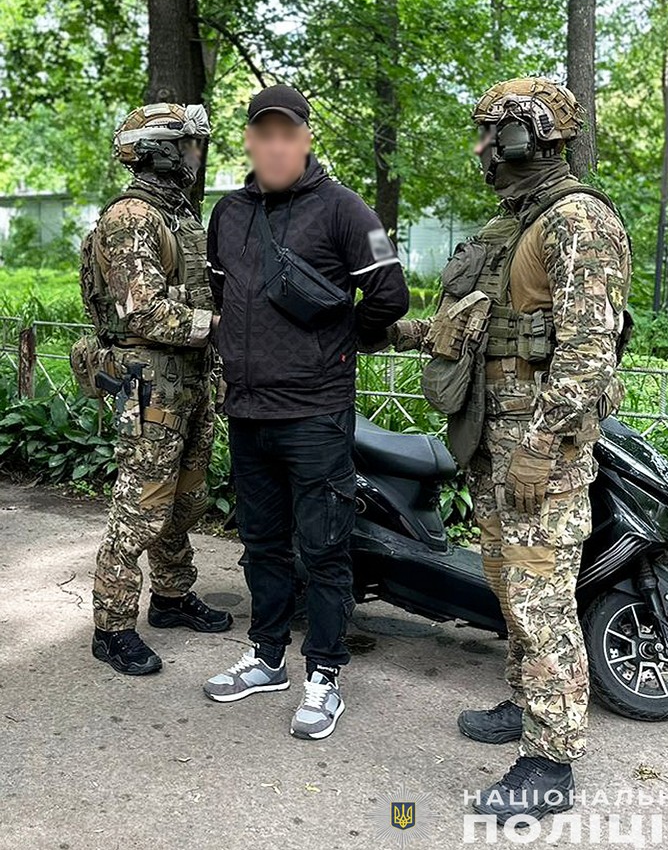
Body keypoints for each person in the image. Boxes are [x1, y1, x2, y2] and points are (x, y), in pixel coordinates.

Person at [388, 78, 631, 823]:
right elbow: (471, 326)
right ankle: (527, 700)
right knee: (507, 583)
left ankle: (550, 760)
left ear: (524, 137)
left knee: (539, 596)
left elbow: (588, 352)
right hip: (494, 445)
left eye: (489, 135)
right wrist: (387, 332)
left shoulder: (578, 220)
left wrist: (541, 447)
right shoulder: (511, 225)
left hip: (539, 454)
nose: (481, 150)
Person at [203, 83, 409, 739]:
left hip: (316, 412)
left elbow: (390, 295)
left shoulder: (348, 210)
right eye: (263, 134)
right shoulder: (227, 214)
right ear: (249, 141)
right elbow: (222, 295)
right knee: (262, 544)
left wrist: (339, 344)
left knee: (323, 549)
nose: (275, 146)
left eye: (287, 134)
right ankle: (266, 657)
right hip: (248, 412)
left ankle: (324, 674)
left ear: (306, 139)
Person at [87, 103, 232, 676]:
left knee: (186, 500)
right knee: (141, 508)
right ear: (160, 151)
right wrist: (223, 327)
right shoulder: (131, 217)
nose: (197, 155)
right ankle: (112, 627)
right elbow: (143, 312)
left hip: (188, 379)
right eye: (188, 145)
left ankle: (171, 597)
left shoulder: (179, 216)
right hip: (149, 385)